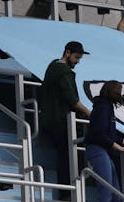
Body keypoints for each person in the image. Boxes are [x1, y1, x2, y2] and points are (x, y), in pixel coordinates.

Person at [38, 41, 91, 186]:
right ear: (67, 53)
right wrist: (89, 113)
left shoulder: (52, 67)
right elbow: (72, 99)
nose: (78, 61)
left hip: (50, 120)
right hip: (61, 121)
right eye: (76, 57)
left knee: (65, 156)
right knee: (67, 158)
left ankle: (67, 190)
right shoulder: (64, 73)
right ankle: (67, 190)